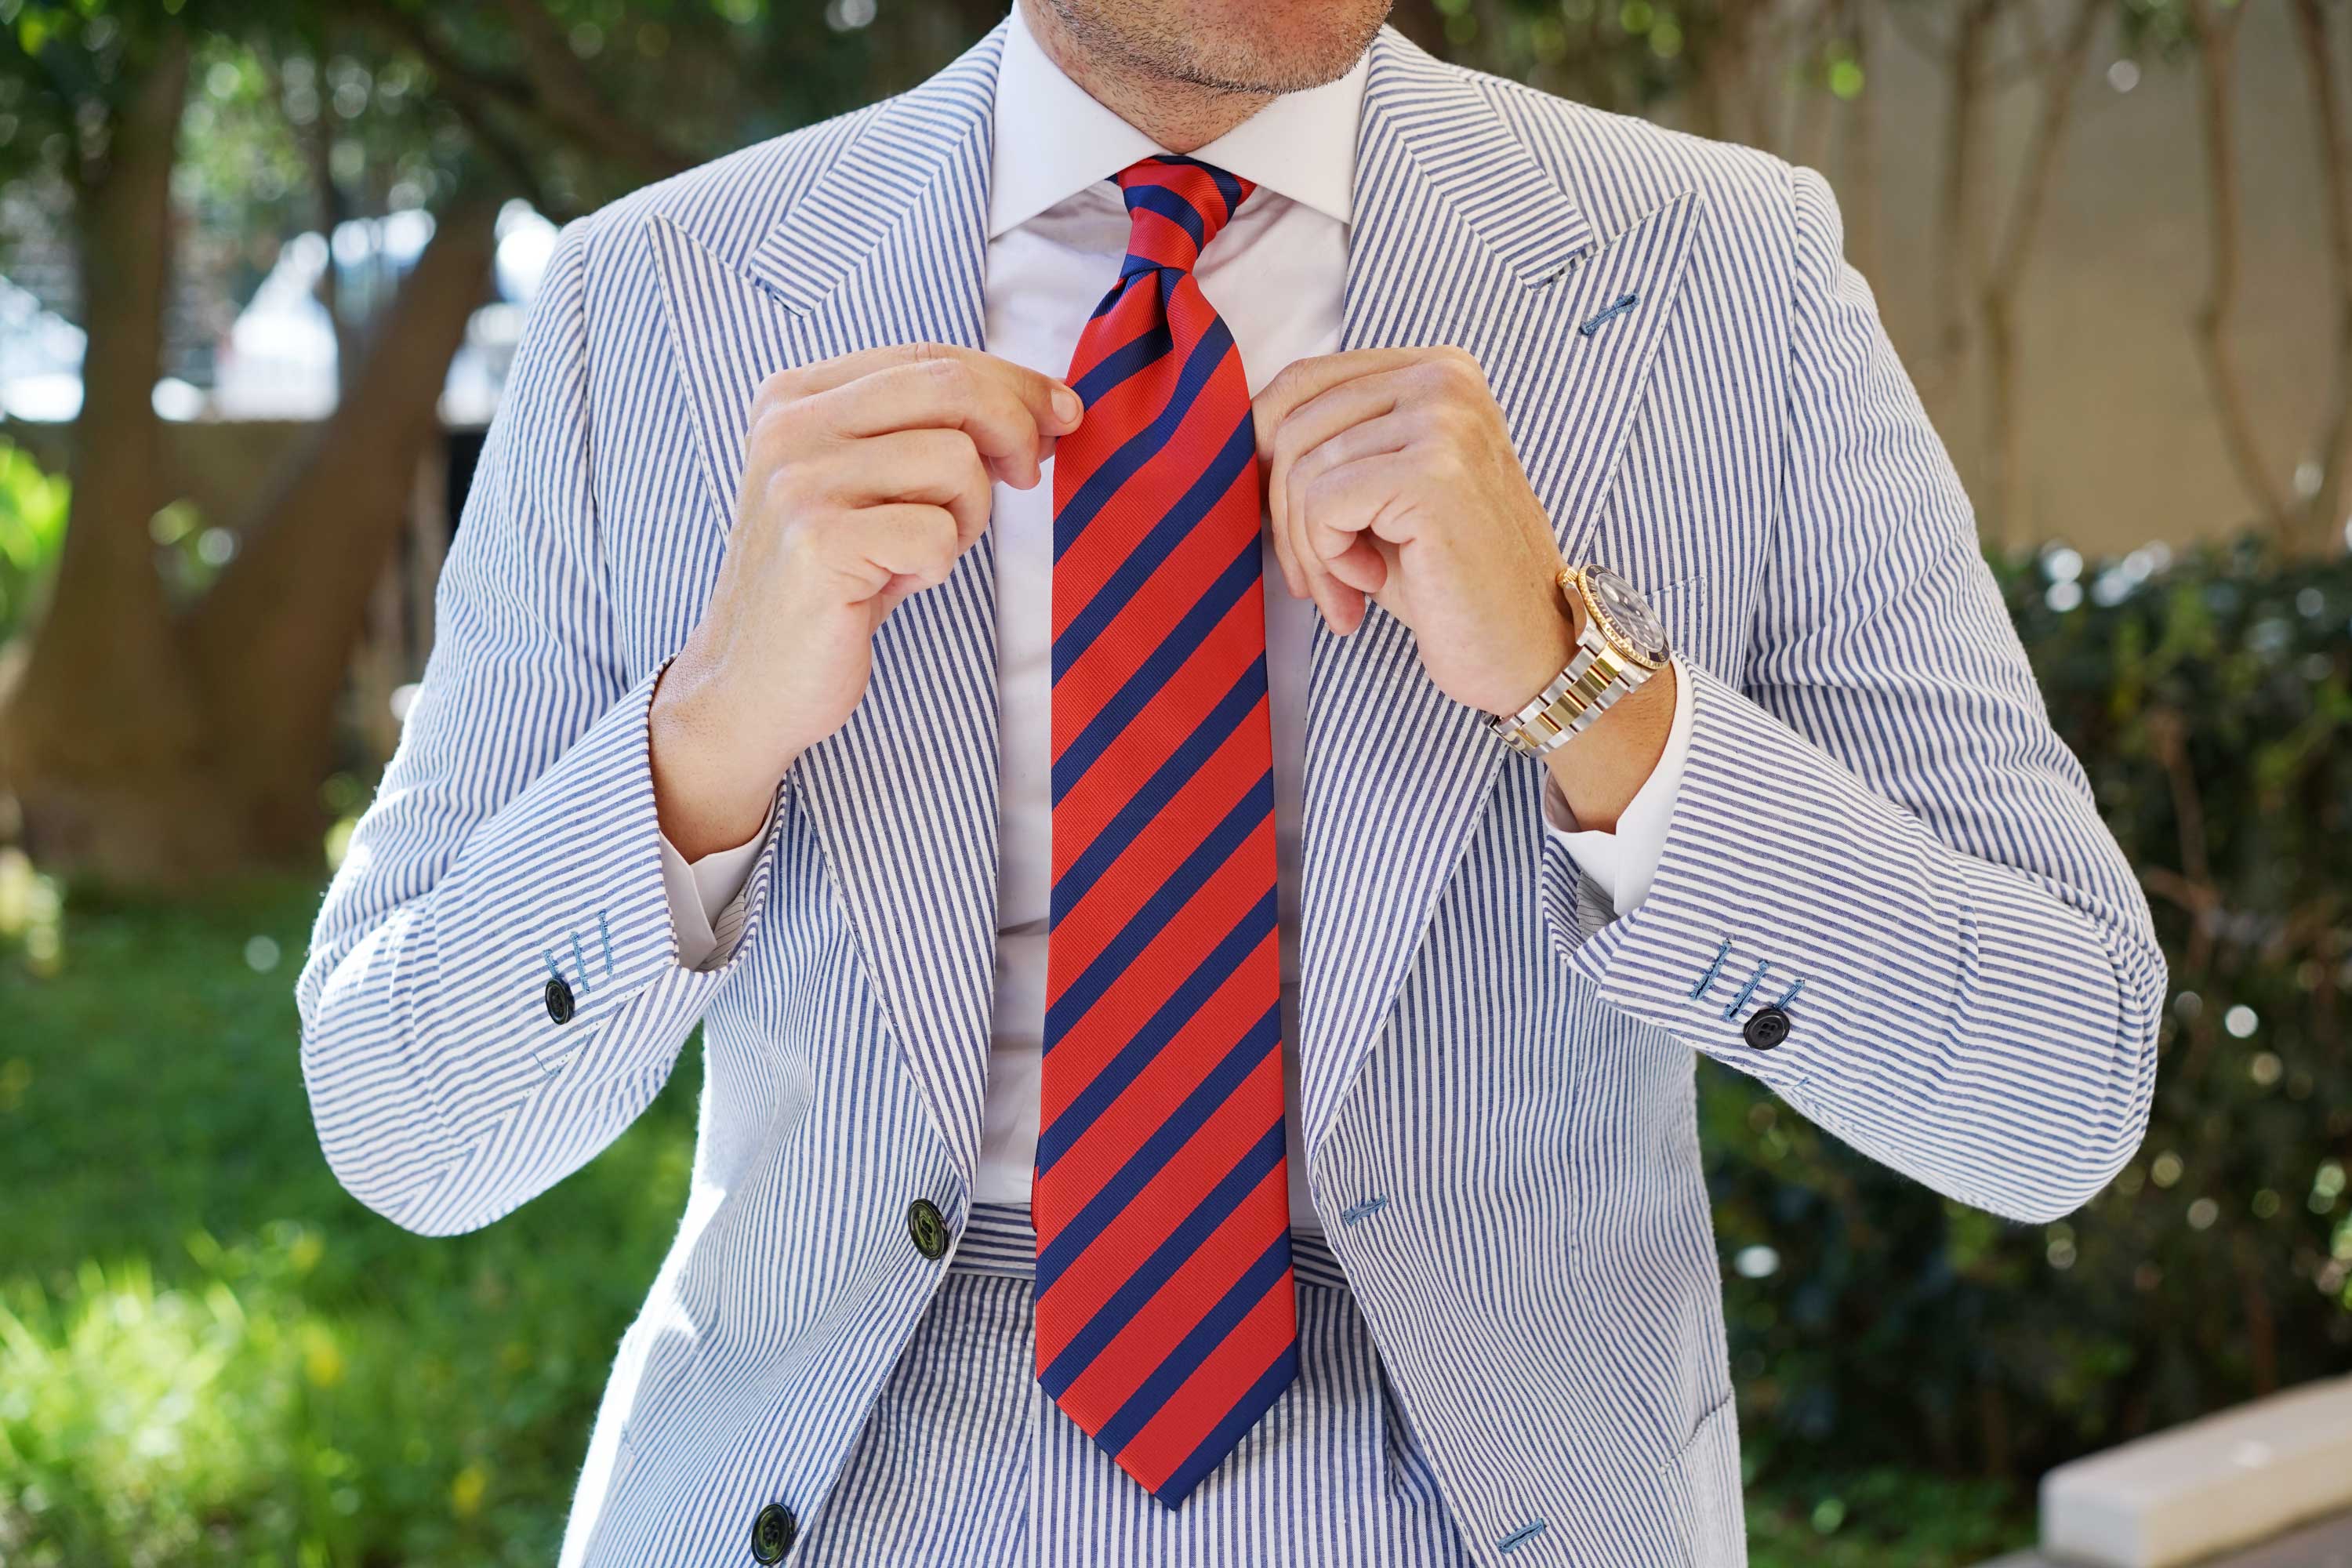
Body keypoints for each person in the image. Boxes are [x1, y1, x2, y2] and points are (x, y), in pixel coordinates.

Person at [296, 2, 2165, 1563]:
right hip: (837, 1488)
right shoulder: (656, 302)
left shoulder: (1719, 280)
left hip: (1481, 1500)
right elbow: (404, 1124)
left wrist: (1590, 691)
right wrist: (700, 741)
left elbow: (2057, 1084)